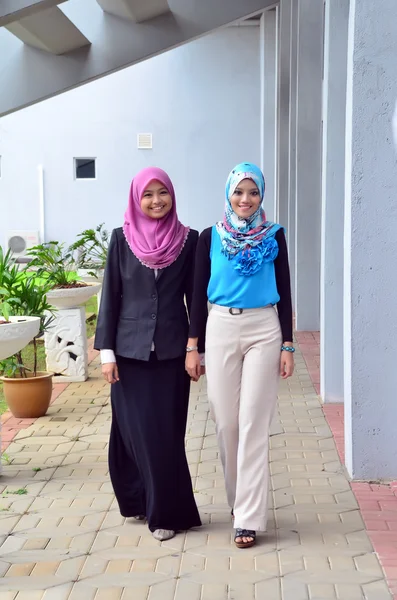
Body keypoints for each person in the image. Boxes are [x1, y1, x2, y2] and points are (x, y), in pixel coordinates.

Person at [186, 162, 294, 549]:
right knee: (226, 422)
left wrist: (287, 344)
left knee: (252, 422)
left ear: (261, 195)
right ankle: (238, 502)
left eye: (253, 192)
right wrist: (192, 345)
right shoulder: (209, 237)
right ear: (229, 194)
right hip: (221, 327)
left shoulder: (275, 235)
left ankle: (248, 517)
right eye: (239, 192)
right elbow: (198, 294)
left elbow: (285, 289)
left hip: (265, 328)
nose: (246, 199)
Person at [95, 166, 201, 541]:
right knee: (132, 432)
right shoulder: (121, 239)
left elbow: (195, 300)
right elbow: (111, 296)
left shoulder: (189, 241)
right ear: (136, 199)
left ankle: (165, 514)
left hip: (172, 355)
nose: (156, 201)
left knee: (166, 434)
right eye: (148, 194)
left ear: (172, 195)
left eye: (163, 193)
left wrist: (194, 348)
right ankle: (139, 500)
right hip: (129, 354)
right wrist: (107, 352)